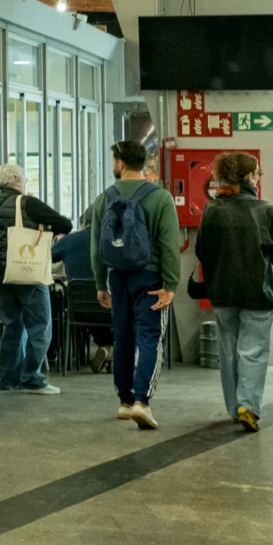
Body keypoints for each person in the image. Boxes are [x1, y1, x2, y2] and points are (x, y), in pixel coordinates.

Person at [193, 152, 273, 432]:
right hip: (257, 292)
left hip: (222, 292)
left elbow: (202, 252)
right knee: (254, 351)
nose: (259, 177)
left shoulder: (212, 210)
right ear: (248, 177)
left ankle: (235, 409)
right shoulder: (265, 210)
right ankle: (249, 405)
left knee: (229, 351)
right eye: (258, 173)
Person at [90, 140, 179, 430]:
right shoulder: (160, 197)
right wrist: (171, 284)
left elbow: (96, 247)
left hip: (118, 277)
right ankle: (143, 401)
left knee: (123, 337)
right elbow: (168, 245)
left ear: (120, 163)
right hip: (150, 278)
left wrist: (100, 283)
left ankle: (125, 401)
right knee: (150, 338)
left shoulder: (104, 198)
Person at [0, 163, 73, 394]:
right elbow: (65, 224)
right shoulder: (28, 203)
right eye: (22, 179)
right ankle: (31, 377)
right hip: (25, 267)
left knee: (12, 324)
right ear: (15, 180)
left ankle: (8, 379)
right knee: (41, 324)